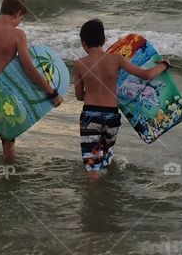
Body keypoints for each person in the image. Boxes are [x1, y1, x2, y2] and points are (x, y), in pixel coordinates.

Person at [0, 0, 63, 163]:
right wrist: (51, 93)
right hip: (6, 88)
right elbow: (29, 68)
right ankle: (10, 174)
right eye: (21, 18)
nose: (20, 22)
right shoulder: (18, 34)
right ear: (18, 13)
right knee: (8, 136)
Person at [73, 19, 170, 182]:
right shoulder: (116, 59)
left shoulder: (79, 64)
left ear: (83, 42)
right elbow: (145, 75)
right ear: (103, 40)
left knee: (92, 164)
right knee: (105, 155)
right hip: (111, 116)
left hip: (90, 116)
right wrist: (164, 65)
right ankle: (109, 191)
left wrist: (92, 91)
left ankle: (93, 201)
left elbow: (79, 96)